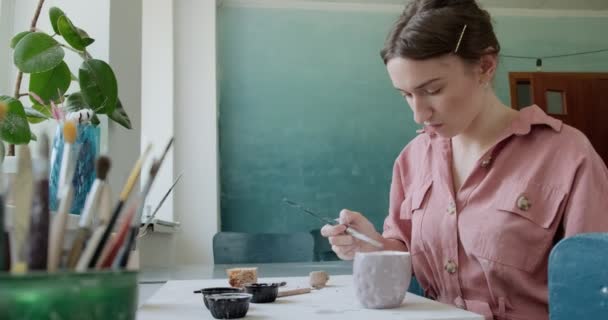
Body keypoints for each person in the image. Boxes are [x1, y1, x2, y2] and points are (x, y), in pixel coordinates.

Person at [320, 0, 608, 319]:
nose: (418, 113)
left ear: (485, 66)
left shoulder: (567, 154)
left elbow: (593, 288)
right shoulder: (412, 159)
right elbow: (408, 259)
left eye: (433, 89)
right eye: (405, 95)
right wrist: (372, 246)